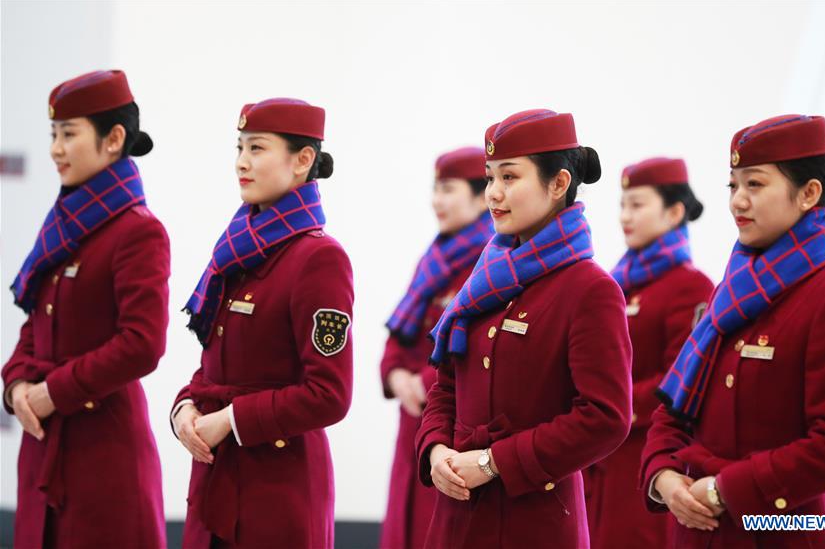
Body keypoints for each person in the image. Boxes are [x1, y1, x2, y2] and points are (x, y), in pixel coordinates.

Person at [641, 114, 825, 548]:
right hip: (697, 530)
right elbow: (673, 408)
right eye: (733, 186)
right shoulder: (729, 292)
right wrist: (664, 476)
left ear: (809, 193)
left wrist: (723, 488)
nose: (737, 201)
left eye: (755, 185)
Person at [415, 108, 633, 548]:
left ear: (558, 184)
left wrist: (497, 462)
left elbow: (606, 417)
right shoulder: (487, 277)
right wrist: (436, 450)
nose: (494, 193)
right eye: (490, 177)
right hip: (457, 520)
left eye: (510, 177)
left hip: (535, 522)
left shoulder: (590, 289)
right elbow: (447, 387)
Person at [171, 98, 353, 548]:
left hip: (276, 492)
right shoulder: (238, 247)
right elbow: (216, 367)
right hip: (214, 480)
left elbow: (329, 395)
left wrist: (230, 420)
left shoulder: (318, 258)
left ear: (303, 160)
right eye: (239, 148)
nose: (241, 163)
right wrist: (184, 409)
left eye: (256, 149)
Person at [2, 69, 168, 548]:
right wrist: (14, 385)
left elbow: (142, 344)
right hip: (42, 448)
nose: (56, 148)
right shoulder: (65, 221)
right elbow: (35, 322)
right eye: (53, 134)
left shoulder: (138, 230)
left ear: (114, 138)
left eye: (69, 134)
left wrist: (53, 391)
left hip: (104, 456)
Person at [585, 157, 713, 549]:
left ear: (674, 211)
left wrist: (609, 405)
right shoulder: (615, 281)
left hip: (645, 452)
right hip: (596, 453)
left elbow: (680, 377)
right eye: (623, 205)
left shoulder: (691, 287)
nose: (626, 216)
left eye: (638, 205)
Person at [379, 146, 492, 549]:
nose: (436, 200)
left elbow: (473, 344)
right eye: (435, 189)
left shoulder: (491, 262)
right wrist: (395, 374)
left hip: (450, 422)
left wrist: (423, 381)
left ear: (481, 196)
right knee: (402, 526)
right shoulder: (434, 258)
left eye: (448, 189)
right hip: (413, 417)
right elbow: (400, 328)